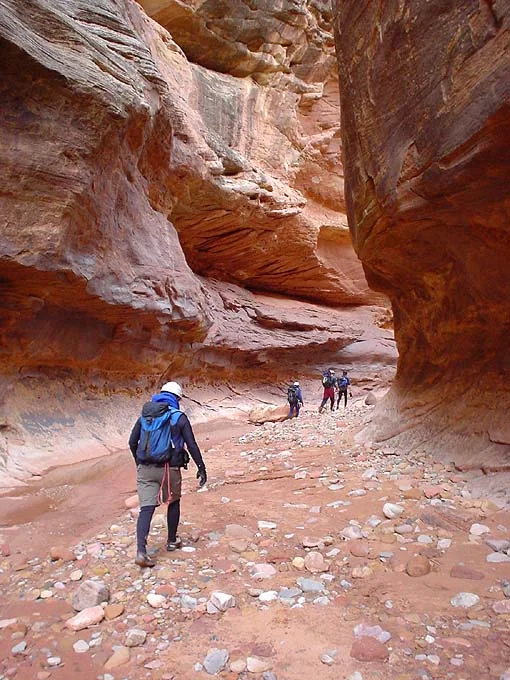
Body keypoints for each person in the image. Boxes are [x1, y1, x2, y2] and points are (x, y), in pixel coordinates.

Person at [128, 381, 207, 568]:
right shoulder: (178, 417)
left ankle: (141, 551)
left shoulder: (145, 416)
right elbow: (191, 444)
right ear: (177, 398)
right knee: (173, 501)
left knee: (146, 508)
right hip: (169, 469)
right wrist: (201, 467)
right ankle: (171, 541)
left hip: (145, 468)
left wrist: (139, 463)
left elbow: (132, 442)